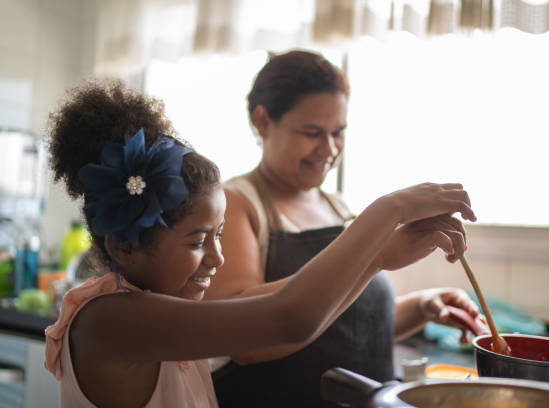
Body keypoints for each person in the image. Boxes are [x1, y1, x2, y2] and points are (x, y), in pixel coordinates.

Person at [43, 79, 476, 408]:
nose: (217, 257)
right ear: (125, 247)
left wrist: (377, 257)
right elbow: (289, 317)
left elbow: (296, 311)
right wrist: (389, 211)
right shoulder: (112, 321)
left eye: (218, 235)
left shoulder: (161, 309)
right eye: (198, 241)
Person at [205, 50, 482, 407]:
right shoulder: (236, 204)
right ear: (262, 121)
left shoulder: (337, 207)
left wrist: (421, 307)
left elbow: (345, 325)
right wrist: (377, 253)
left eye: (338, 133)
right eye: (312, 133)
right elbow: (242, 340)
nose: (329, 149)